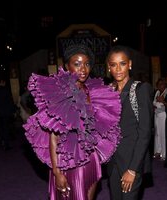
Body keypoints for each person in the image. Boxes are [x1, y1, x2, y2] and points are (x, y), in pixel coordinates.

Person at [23, 44, 121, 200]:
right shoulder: (60, 93)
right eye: (77, 64)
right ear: (66, 66)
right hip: (69, 161)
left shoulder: (91, 90)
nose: (83, 69)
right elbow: (53, 137)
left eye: (87, 64)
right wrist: (56, 171)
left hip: (91, 158)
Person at [106, 45, 153, 200]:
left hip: (132, 161)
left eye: (123, 63)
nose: (118, 69)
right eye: (114, 64)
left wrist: (133, 169)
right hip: (113, 163)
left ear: (130, 64)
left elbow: (145, 133)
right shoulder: (107, 92)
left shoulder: (140, 89)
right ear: (108, 67)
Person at [153, 78, 167, 161]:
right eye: (158, 84)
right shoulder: (157, 92)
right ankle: (158, 150)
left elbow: (166, 106)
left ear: (165, 84)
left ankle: (164, 153)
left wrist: (158, 105)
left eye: (161, 84)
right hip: (156, 115)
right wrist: (156, 106)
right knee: (157, 133)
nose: (159, 86)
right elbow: (154, 103)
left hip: (163, 115)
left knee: (163, 134)